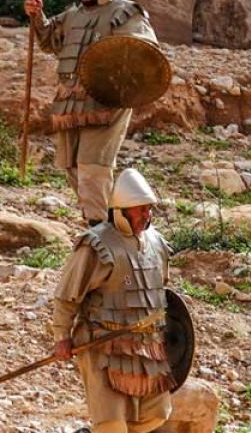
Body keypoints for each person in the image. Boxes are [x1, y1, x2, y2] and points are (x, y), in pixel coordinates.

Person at [24, 0, 158, 226]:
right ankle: (107, 220)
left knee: (92, 166)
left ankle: (100, 228)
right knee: (71, 166)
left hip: (107, 101)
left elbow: (145, 53)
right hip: (71, 101)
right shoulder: (73, 16)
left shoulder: (124, 12)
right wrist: (37, 16)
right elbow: (51, 41)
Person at [52, 168, 174, 433]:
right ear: (121, 210)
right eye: (140, 209)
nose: (146, 215)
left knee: (156, 414)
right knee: (111, 424)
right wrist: (62, 336)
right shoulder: (96, 245)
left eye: (149, 209)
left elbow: (160, 291)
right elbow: (67, 296)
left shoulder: (157, 243)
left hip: (146, 346)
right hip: (101, 345)